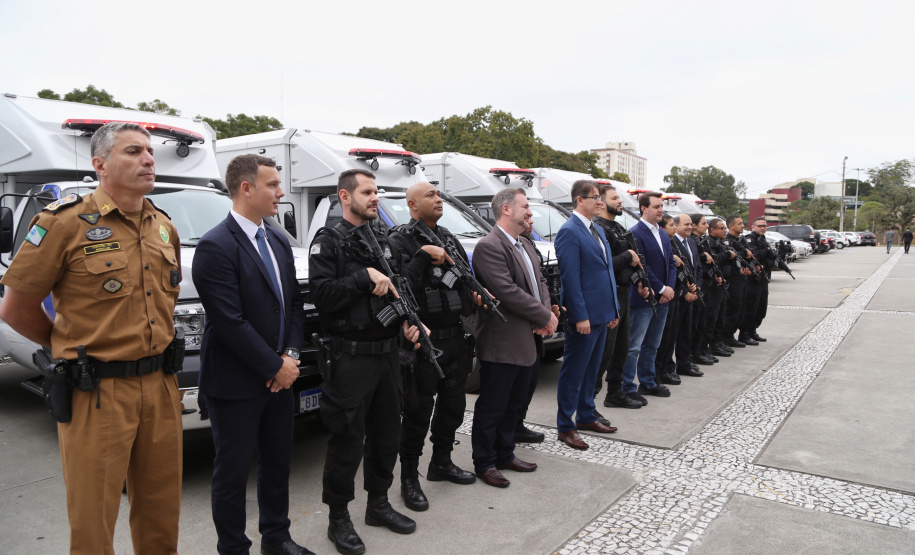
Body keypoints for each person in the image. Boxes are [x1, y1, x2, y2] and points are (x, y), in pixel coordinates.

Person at [0, 122, 183, 554]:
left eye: (150, 152)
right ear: (100, 165)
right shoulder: (63, 223)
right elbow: (16, 308)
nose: (148, 159)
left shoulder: (163, 227)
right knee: (93, 520)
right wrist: (68, 348)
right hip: (96, 391)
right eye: (133, 151)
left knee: (161, 513)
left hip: (160, 386)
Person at [192, 155, 312, 555]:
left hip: (281, 376)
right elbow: (229, 322)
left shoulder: (276, 238)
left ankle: (276, 538)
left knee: (277, 465)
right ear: (247, 188)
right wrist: (275, 366)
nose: (281, 193)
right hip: (236, 383)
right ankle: (234, 548)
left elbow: (293, 304)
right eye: (273, 185)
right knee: (232, 473)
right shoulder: (215, 245)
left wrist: (290, 357)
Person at [309, 169, 423, 554]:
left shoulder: (382, 242)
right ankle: (338, 518)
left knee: (387, 435)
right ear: (345, 196)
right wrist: (361, 278)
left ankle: (378, 504)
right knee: (347, 441)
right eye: (367, 192)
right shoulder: (329, 243)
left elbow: (398, 290)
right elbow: (322, 297)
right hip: (350, 358)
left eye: (377, 192)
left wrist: (408, 323)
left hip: (388, 356)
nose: (375, 198)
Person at [386, 182, 478, 512]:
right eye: (430, 196)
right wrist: (424, 257)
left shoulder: (448, 236)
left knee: (453, 407)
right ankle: (409, 478)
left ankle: (441, 462)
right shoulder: (399, 240)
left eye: (439, 196)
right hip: (422, 344)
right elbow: (399, 287)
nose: (438, 200)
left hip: (454, 337)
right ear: (412, 205)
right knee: (416, 414)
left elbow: (463, 275)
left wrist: (474, 298)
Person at [470, 188, 557, 487]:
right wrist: (544, 316)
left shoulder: (525, 244)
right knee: (493, 405)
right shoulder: (489, 246)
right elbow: (506, 291)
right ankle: (484, 461)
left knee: (514, 403)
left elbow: (540, 282)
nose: (529, 211)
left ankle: (505, 452)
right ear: (506, 209)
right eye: (524, 206)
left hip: (528, 338)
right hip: (502, 342)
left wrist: (545, 313)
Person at [554, 180, 620, 450]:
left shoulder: (598, 230)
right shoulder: (569, 231)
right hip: (584, 316)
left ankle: (586, 414)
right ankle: (565, 425)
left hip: (602, 313)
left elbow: (607, 272)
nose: (600, 202)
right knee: (574, 370)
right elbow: (570, 278)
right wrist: (580, 316)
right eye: (594, 198)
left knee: (592, 369)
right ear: (579, 200)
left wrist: (614, 308)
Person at [621, 192, 677, 406]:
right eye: (656, 206)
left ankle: (648, 380)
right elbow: (643, 266)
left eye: (661, 206)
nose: (661, 210)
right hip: (644, 298)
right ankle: (627, 386)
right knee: (634, 345)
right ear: (644, 208)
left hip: (664, 297)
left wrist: (669, 288)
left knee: (653, 343)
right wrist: (661, 288)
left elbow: (671, 263)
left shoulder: (662, 234)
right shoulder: (635, 233)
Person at [593, 184, 644, 410]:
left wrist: (640, 280)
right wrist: (628, 256)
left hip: (624, 294)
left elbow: (633, 260)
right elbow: (603, 266)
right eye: (615, 198)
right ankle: (587, 404)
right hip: (608, 296)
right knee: (604, 353)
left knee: (621, 349)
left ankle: (615, 393)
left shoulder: (617, 228)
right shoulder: (598, 229)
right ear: (602, 203)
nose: (620, 202)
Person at [669, 214, 702, 378]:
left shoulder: (691, 242)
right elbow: (673, 272)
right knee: (671, 334)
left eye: (691, 224)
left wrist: (697, 288)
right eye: (686, 224)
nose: (690, 227)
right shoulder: (671, 242)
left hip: (692, 294)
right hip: (679, 296)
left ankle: (684, 363)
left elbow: (697, 268)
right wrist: (685, 292)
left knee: (686, 332)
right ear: (676, 225)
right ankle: (669, 367)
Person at [739, 218, 775, 345]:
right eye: (759, 226)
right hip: (753, 279)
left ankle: (753, 330)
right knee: (751, 307)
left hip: (763, 278)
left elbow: (770, 259)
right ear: (753, 226)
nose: (762, 228)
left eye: (764, 226)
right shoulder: (750, 239)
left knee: (761, 308)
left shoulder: (763, 239)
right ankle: (744, 333)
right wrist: (767, 251)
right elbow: (755, 255)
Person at [689, 214, 716, 367]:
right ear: (694, 225)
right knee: (696, 323)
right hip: (698, 285)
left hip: (705, 284)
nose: (706, 226)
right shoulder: (692, 241)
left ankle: (700, 350)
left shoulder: (701, 240)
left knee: (704, 320)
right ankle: (695, 352)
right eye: (704, 223)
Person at [722, 216, 752, 349]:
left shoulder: (741, 240)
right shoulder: (728, 241)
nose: (743, 225)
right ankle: (726, 337)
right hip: (733, 280)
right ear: (731, 226)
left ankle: (732, 335)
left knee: (741, 308)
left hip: (742, 278)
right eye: (740, 223)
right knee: (732, 309)